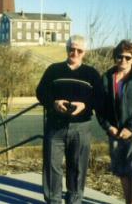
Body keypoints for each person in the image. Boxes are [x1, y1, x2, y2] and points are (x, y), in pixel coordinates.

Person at [36, 35, 102, 204]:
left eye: (79, 50)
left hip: (81, 127)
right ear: (67, 49)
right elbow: (41, 92)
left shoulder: (91, 73)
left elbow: (100, 98)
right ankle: (53, 200)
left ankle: (74, 200)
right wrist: (53, 103)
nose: (75, 52)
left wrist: (85, 106)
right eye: (72, 49)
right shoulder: (53, 70)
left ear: (84, 52)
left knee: (78, 167)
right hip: (55, 126)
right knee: (52, 167)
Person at [97, 40, 132, 204]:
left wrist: (130, 127)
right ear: (115, 57)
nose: (123, 60)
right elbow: (100, 107)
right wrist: (108, 127)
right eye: (119, 57)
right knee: (122, 171)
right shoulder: (107, 78)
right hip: (115, 132)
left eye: (128, 58)